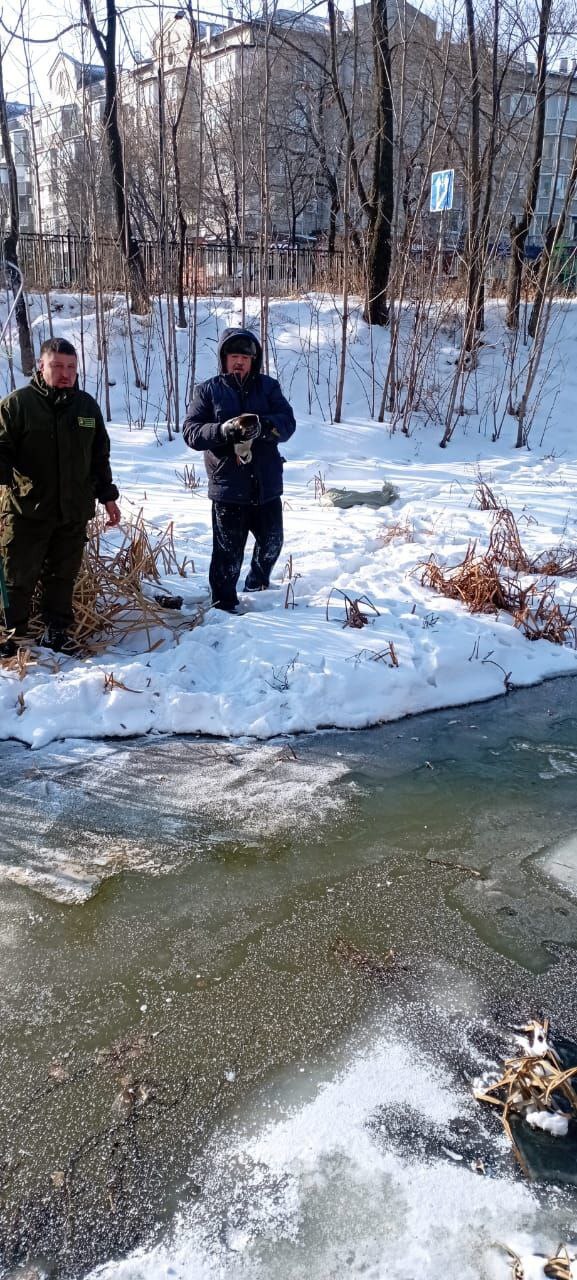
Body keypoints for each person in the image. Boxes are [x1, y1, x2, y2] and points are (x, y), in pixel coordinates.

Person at [0, 336, 120, 658]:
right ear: (41, 366)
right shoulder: (18, 404)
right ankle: (11, 634)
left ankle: (56, 631)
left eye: (71, 367)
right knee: (17, 577)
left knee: (62, 576)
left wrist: (108, 496)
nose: (65, 373)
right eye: (57, 366)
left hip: (73, 511)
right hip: (27, 510)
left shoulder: (86, 406)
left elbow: (99, 456)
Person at [183, 328, 296, 613]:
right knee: (228, 554)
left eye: (245, 357)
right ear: (224, 358)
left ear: (253, 360)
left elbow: (287, 423)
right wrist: (223, 431)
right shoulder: (208, 391)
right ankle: (223, 605)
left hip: (266, 484)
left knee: (272, 543)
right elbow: (191, 432)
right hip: (228, 486)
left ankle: (257, 583)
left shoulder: (268, 387)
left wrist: (264, 426)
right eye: (234, 356)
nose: (239, 362)